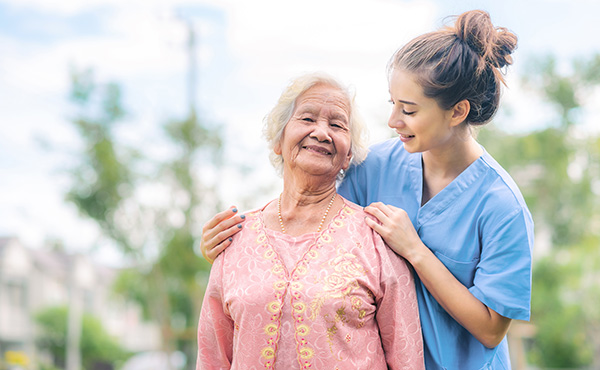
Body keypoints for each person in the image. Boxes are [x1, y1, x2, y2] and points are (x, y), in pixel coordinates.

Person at [200, 10, 533, 369]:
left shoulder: (502, 205)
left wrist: (415, 251)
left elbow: (491, 330)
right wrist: (233, 253)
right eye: (393, 104)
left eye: (408, 110)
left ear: (457, 112)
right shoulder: (374, 167)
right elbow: (312, 221)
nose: (393, 122)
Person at [196, 72, 425, 369]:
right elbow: (212, 357)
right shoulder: (234, 239)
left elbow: (407, 359)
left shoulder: (376, 239)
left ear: (347, 156)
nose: (321, 132)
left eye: (337, 124)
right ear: (278, 140)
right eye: (307, 119)